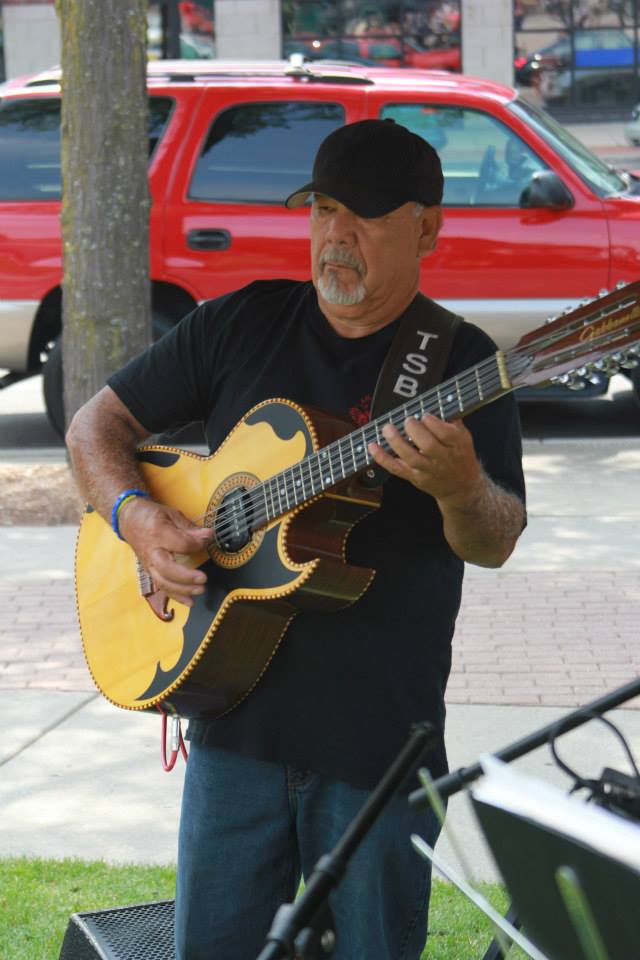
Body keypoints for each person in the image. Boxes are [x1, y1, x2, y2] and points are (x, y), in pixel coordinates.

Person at [66, 119, 526, 960]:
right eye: (322, 210)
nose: (336, 236)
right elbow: (96, 427)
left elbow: (494, 541)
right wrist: (137, 517)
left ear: (427, 227)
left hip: (378, 747)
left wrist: (461, 486)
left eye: (368, 216)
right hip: (232, 729)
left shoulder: (461, 367)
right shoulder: (241, 323)